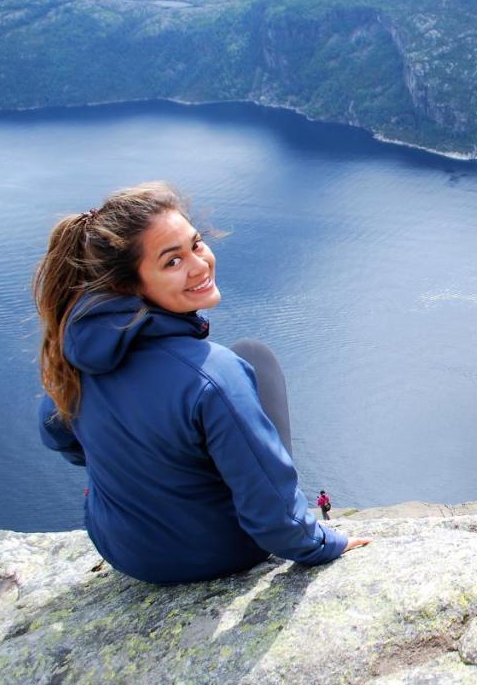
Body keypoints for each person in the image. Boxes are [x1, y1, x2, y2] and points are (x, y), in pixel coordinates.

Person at [34, 182, 367, 585]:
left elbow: (56, 432)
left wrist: (136, 470)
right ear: (128, 285)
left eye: (196, 244)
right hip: (218, 552)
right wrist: (321, 545)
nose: (199, 264)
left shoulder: (74, 356)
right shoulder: (214, 375)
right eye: (172, 262)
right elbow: (272, 518)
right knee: (255, 358)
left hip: (121, 548)